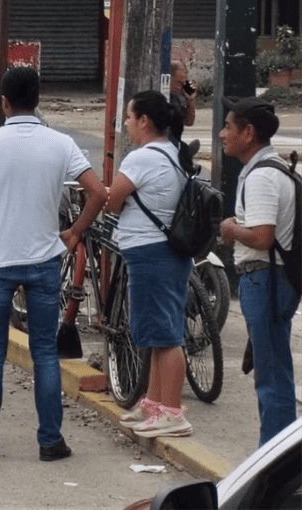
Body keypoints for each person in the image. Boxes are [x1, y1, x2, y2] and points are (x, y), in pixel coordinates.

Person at [0, 67, 106, 461]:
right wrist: (74, 232)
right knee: (44, 352)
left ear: (3, 102)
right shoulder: (60, 143)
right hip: (44, 262)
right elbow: (97, 192)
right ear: (38, 99)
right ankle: (50, 441)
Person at [105, 90, 194, 439]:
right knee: (156, 333)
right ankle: (155, 405)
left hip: (151, 251)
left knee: (166, 335)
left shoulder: (142, 159)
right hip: (163, 251)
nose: (127, 124)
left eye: (129, 117)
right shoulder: (172, 153)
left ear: (144, 120)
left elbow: (113, 201)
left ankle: (172, 412)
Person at [218, 96, 299, 446]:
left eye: (228, 127)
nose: (222, 134)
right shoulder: (269, 170)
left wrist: (231, 229)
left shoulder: (262, 177)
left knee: (271, 375)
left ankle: (274, 462)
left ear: (248, 133)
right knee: (275, 368)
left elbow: (263, 235)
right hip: (273, 279)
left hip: (264, 279)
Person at [170, 60, 196, 127]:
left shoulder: (181, 94)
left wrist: (191, 100)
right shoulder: (164, 94)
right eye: (183, 70)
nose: (186, 72)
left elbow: (189, 122)